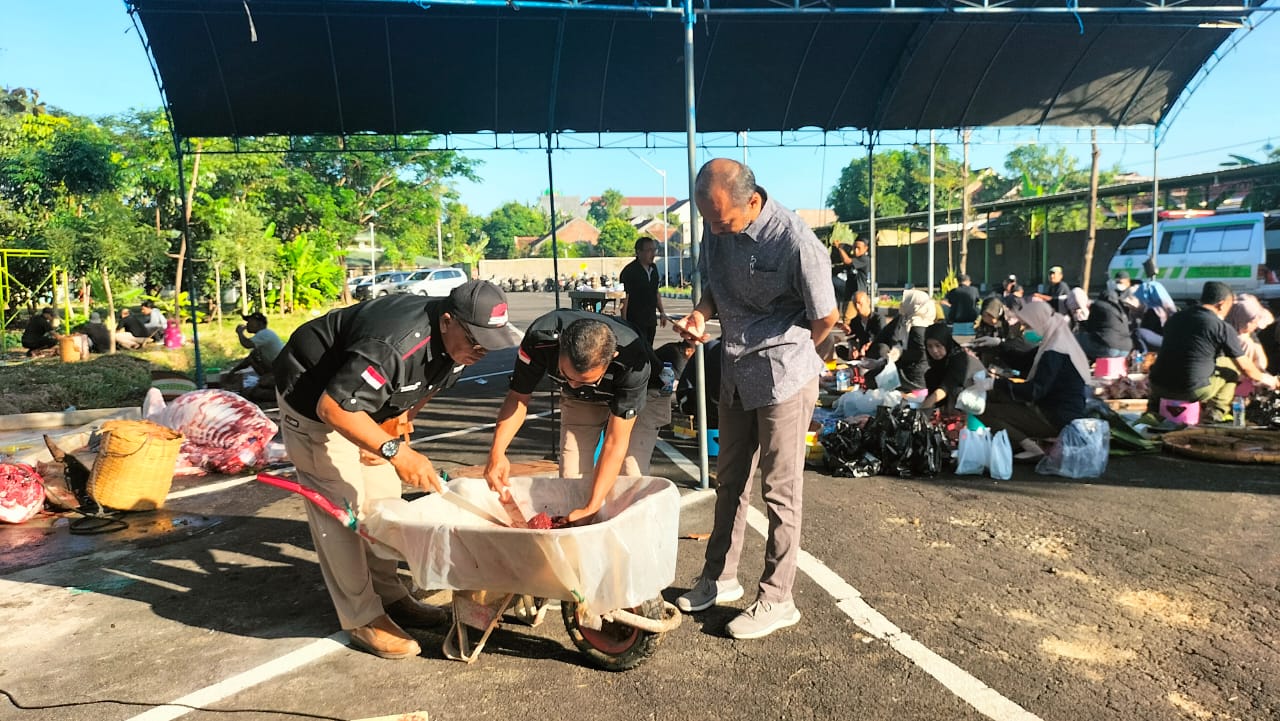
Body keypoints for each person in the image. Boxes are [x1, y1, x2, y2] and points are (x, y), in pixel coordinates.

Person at [273, 280, 522, 660]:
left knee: (384, 502)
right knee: (344, 509)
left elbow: (427, 385)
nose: (482, 351)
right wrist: (397, 452)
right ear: (447, 322)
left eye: (489, 343)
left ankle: (389, 594)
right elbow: (332, 408)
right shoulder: (394, 345)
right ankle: (362, 617)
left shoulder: (461, 346)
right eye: (475, 341)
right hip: (315, 402)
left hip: (364, 403)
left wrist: (396, 429)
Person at [671, 158, 838, 640]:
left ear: (754, 201)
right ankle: (719, 579)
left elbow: (825, 317)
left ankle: (778, 597)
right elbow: (713, 292)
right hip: (736, 367)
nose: (715, 228)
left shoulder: (795, 241)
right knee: (730, 480)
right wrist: (700, 317)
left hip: (785, 373)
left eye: (722, 219)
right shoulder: (716, 228)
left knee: (780, 490)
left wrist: (807, 359)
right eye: (708, 220)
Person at [485, 309, 667, 521]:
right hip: (580, 399)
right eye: (565, 375)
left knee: (629, 479)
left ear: (612, 358)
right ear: (560, 347)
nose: (572, 383)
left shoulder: (632, 361)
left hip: (645, 392)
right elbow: (518, 397)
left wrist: (592, 504)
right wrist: (497, 453)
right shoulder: (540, 339)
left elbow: (615, 441)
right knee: (571, 480)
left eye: (584, 380)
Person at [1147, 282, 1277, 423]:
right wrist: (1268, 379)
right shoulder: (1221, 327)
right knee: (1230, 368)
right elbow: (1246, 368)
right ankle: (1214, 415)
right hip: (1191, 390)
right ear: (1221, 304)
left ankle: (1152, 411)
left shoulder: (1176, 318)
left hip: (1157, 385)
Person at [978, 299, 1089, 460]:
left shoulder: (1054, 352)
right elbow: (1024, 360)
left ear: (1039, 322)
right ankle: (1021, 442)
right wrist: (998, 344)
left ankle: (1030, 447)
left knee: (984, 410)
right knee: (996, 398)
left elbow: (1035, 391)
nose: (1026, 330)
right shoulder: (1057, 339)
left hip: (1055, 416)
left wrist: (995, 383)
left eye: (1029, 325)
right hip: (1059, 409)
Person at [869, 289, 935, 392]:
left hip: (913, 377)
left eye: (906, 301)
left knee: (872, 379)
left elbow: (920, 354)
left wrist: (897, 354)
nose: (902, 304)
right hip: (919, 373)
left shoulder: (917, 326)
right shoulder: (918, 321)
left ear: (914, 304)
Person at [920, 323, 984, 411]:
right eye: (929, 346)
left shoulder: (960, 358)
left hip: (978, 402)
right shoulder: (940, 362)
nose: (934, 350)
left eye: (938, 345)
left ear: (946, 343)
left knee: (955, 390)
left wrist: (921, 410)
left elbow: (945, 387)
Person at [618, 236, 668, 346]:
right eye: (649, 250)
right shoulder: (629, 271)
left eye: (654, 250)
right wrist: (624, 321)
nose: (653, 254)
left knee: (649, 349)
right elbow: (625, 297)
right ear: (638, 252)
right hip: (635, 321)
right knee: (639, 350)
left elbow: (656, 292)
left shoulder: (654, 269)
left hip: (650, 319)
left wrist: (662, 312)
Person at [1075, 272, 1133, 361]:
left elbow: (1090, 326)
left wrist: (1081, 322)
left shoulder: (1098, 305)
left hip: (1108, 346)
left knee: (1077, 339)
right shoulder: (1120, 307)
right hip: (1126, 349)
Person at [1225, 294, 1273, 372]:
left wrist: (1260, 363)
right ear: (1247, 323)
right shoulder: (1242, 341)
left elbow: (1260, 356)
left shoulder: (1244, 330)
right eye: (1255, 323)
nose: (1257, 326)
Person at [831, 236, 870, 326]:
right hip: (848, 295)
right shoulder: (854, 260)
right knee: (852, 322)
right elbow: (841, 266)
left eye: (859, 248)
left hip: (858, 296)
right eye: (854, 248)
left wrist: (840, 248)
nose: (856, 251)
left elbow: (846, 260)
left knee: (847, 321)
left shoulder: (864, 259)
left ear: (865, 248)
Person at [844, 291, 883, 359]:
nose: (857, 307)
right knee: (839, 349)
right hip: (861, 353)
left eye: (860, 303)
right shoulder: (854, 321)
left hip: (875, 351)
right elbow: (851, 338)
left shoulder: (878, 319)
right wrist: (853, 348)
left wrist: (869, 345)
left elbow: (882, 338)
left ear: (868, 302)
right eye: (855, 304)